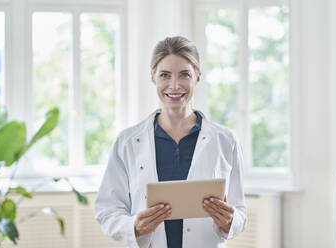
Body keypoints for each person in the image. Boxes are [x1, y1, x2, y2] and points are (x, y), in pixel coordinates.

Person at [95, 36, 247, 248]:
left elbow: (240, 211)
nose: (174, 86)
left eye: (184, 74)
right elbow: (107, 210)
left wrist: (230, 221)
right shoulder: (127, 142)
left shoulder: (225, 141)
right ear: (153, 77)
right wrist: (134, 226)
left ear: (197, 77)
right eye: (165, 75)